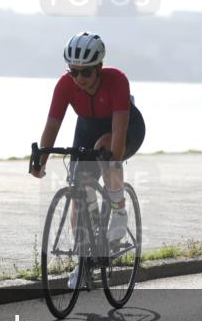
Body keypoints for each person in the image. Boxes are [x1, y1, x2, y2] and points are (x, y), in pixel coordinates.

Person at [30, 32, 146, 287]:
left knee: (105, 152)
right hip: (88, 127)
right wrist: (41, 159)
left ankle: (118, 209)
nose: (79, 78)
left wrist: (108, 161)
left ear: (99, 68)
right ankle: (83, 261)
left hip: (124, 127)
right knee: (78, 189)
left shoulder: (117, 81)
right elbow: (52, 126)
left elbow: (116, 141)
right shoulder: (65, 85)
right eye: (74, 72)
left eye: (86, 73)